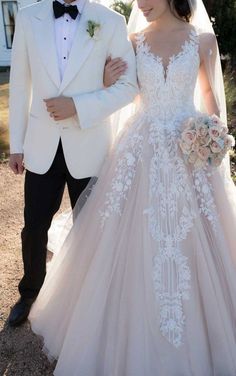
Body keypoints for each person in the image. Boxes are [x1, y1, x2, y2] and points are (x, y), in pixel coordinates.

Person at [29, 0, 236, 374]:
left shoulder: (203, 41)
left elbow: (208, 96)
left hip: (189, 144)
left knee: (199, 237)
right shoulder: (133, 41)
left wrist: (213, 128)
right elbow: (123, 91)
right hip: (140, 147)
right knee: (130, 234)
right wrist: (108, 81)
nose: (141, 3)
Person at [7, 0, 138, 327]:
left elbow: (128, 86)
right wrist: (17, 145)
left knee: (91, 227)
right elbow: (21, 84)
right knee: (34, 226)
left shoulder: (111, 21)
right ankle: (29, 293)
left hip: (90, 144)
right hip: (41, 144)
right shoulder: (27, 18)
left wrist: (78, 106)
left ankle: (87, 298)